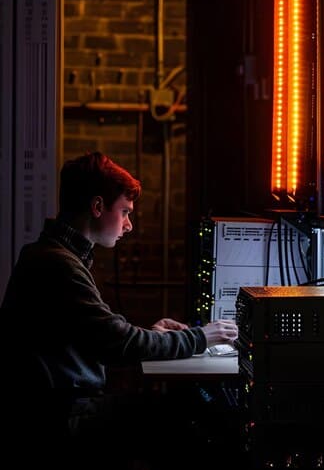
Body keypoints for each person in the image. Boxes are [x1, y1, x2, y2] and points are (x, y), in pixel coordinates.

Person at [0, 151, 239, 470]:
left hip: (54, 411)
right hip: (60, 417)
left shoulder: (54, 255)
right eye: (124, 212)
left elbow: (102, 334)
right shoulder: (58, 264)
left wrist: (151, 336)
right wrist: (201, 337)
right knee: (188, 423)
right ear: (97, 207)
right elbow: (118, 343)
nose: (128, 225)